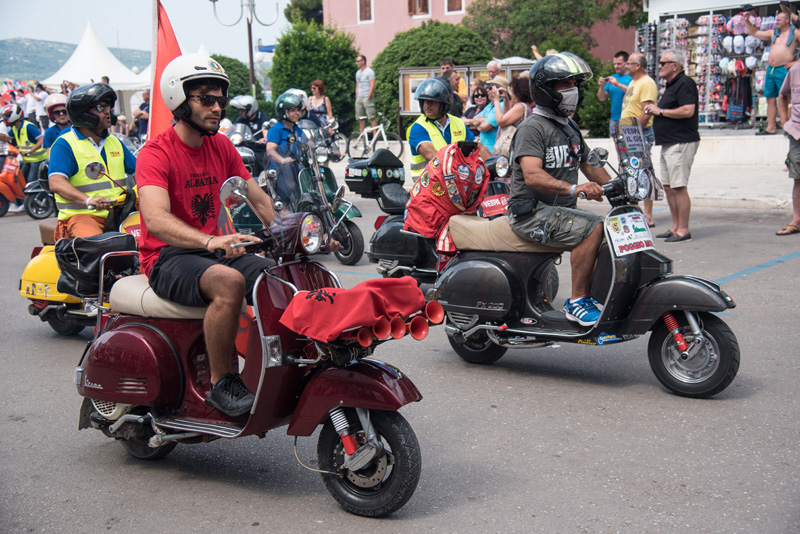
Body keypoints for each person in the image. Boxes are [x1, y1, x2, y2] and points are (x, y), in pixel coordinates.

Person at [137, 54, 276, 417]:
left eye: (220, 99)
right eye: (206, 99)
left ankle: (278, 366)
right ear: (180, 102)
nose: (217, 108)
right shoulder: (156, 153)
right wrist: (208, 241)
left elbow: (255, 195)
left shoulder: (221, 145)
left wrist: (292, 229)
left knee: (275, 277)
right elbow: (154, 218)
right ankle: (221, 383)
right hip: (167, 257)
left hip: (208, 250)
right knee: (228, 282)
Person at [508, 52, 610, 326]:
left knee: (613, 229)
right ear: (545, 90)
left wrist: (619, 186)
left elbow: (590, 166)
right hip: (531, 214)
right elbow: (531, 175)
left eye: (575, 84)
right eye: (564, 85)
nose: (572, 91)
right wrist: (575, 188)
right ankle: (577, 300)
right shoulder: (533, 128)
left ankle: (598, 295)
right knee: (594, 227)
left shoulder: (569, 127)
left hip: (557, 212)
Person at [48, 83, 136, 239]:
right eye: (100, 107)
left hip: (120, 214)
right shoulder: (65, 144)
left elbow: (140, 171)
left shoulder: (114, 142)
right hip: (83, 215)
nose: (108, 111)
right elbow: (56, 182)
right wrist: (88, 200)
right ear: (82, 113)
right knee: (99, 248)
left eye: (108, 106)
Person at [644, 50, 700, 244]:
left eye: (663, 63)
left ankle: (683, 229)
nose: (659, 66)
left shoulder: (685, 83)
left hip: (680, 141)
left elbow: (687, 110)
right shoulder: (671, 85)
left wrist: (660, 111)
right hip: (669, 142)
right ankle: (676, 226)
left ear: (675, 65)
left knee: (678, 187)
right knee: (668, 186)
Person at [406, 77, 490, 180]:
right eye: (424, 101)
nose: (427, 105)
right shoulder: (418, 127)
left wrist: (495, 163)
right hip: (427, 186)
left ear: (443, 104)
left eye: (432, 101)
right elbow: (432, 156)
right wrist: (462, 169)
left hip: (454, 184)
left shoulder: (458, 123)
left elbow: (478, 148)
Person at [616, 52, 658, 226]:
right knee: (631, 171)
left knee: (644, 172)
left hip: (639, 133)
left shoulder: (647, 83)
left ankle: (648, 215)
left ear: (638, 66)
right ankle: (635, 209)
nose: (626, 66)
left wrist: (637, 132)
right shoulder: (634, 82)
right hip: (628, 132)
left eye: (629, 64)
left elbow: (646, 110)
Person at [745, 10, 800, 135]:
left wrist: (796, 62)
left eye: (779, 19)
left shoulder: (795, 33)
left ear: (787, 20)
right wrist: (747, 22)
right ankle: (771, 127)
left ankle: (788, 126)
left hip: (784, 69)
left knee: (786, 98)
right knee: (770, 98)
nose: (776, 21)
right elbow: (755, 32)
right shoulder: (773, 33)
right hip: (771, 69)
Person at [266, 91, 308, 205]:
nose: (297, 113)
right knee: (284, 206)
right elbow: (270, 151)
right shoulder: (276, 129)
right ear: (284, 112)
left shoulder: (297, 129)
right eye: (293, 110)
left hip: (297, 175)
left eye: (298, 110)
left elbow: (308, 145)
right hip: (281, 176)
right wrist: (283, 160)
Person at [777, 60, 800, 235]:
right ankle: (797, 220)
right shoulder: (795, 69)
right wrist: (784, 120)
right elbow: (783, 95)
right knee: (797, 177)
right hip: (797, 132)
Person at [2, 103, 46, 185]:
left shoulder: (28, 126)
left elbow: (41, 140)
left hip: (37, 159)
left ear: (15, 114)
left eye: (7, 115)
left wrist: (29, 151)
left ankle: (35, 197)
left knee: (31, 181)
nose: (5, 118)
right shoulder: (15, 128)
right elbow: (6, 138)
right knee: (21, 178)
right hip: (27, 159)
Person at [492, 76, 533, 157]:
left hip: (513, 150)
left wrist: (496, 100)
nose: (511, 94)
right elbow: (507, 117)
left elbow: (500, 121)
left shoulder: (520, 107)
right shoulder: (522, 106)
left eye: (512, 91)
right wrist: (506, 98)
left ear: (518, 93)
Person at [597, 51, 633, 136]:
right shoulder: (612, 78)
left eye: (619, 64)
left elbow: (634, 93)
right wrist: (601, 86)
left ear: (626, 63)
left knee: (629, 147)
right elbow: (602, 98)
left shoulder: (632, 78)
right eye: (614, 64)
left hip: (628, 117)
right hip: (614, 118)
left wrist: (618, 84)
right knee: (618, 147)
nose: (616, 66)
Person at [471, 76, 509, 154]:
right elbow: (474, 120)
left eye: (490, 88)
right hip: (485, 150)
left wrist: (481, 122)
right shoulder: (490, 105)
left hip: (493, 151)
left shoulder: (501, 105)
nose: (487, 90)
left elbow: (484, 127)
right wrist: (484, 120)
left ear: (499, 90)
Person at [355, 55, 376, 133]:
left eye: (358, 61)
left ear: (363, 61)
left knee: (371, 116)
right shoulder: (358, 73)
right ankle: (361, 135)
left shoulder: (369, 71)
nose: (356, 63)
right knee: (361, 118)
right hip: (360, 97)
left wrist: (368, 96)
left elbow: (372, 85)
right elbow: (357, 85)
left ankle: (375, 135)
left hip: (367, 96)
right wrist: (357, 96)